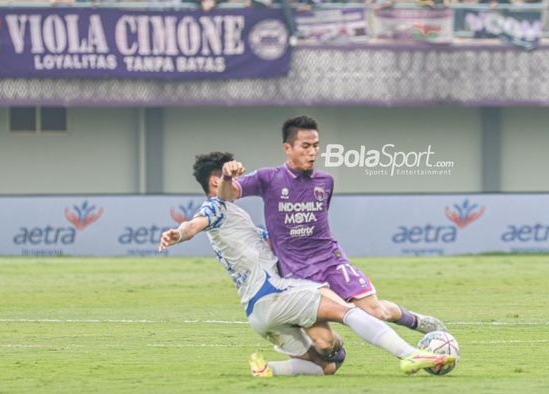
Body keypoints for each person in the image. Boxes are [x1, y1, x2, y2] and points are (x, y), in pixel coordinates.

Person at [158, 151, 453, 377]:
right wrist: (179, 233)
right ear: (216, 180)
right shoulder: (216, 207)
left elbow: (275, 242)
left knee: (328, 361)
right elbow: (195, 223)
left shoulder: (238, 221)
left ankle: (269, 367)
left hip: (257, 315)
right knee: (347, 311)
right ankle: (409, 353)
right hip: (274, 293)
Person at [217, 115, 447, 335]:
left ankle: (415, 320)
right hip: (296, 270)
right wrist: (227, 177)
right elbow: (227, 195)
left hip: (331, 259)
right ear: (287, 148)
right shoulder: (268, 178)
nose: (313, 152)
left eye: (316, 146)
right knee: (342, 323)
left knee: (375, 312)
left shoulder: (326, 181)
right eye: (305, 146)